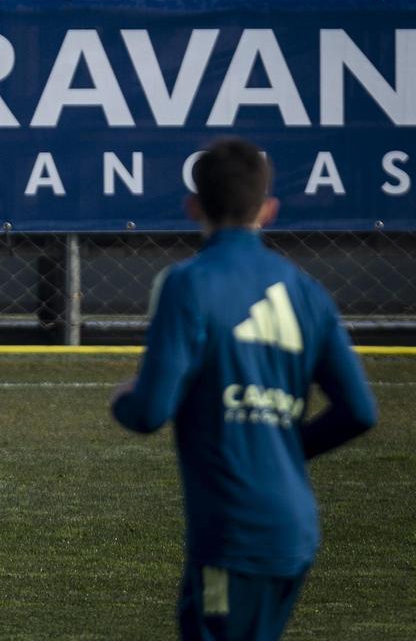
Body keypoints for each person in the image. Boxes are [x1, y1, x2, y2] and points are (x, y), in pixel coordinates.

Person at [110, 137, 378, 641]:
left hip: (233, 534)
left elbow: (149, 411)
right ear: (270, 209)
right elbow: (360, 411)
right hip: (294, 532)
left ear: (193, 206)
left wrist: (121, 400)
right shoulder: (305, 289)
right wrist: (286, 449)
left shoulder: (188, 282)